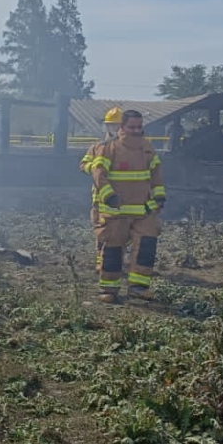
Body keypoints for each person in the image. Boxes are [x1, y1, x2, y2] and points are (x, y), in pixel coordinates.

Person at [86, 110, 165, 303]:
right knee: (112, 249)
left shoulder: (147, 148)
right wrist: (108, 196)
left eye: (139, 127)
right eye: (132, 127)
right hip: (115, 212)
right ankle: (109, 290)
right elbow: (98, 173)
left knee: (146, 246)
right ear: (121, 127)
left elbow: (156, 173)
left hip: (143, 211)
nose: (136, 131)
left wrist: (160, 196)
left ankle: (138, 288)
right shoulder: (108, 148)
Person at [79, 107, 123, 272]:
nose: (115, 129)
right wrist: (96, 167)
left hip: (121, 198)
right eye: (112, 125)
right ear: (107, 127)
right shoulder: (97, 147)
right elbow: (83, 165)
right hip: (100, 199)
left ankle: (115, 262)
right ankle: (101, 262)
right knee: (102, 232)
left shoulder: (129, 149)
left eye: (118, 125)